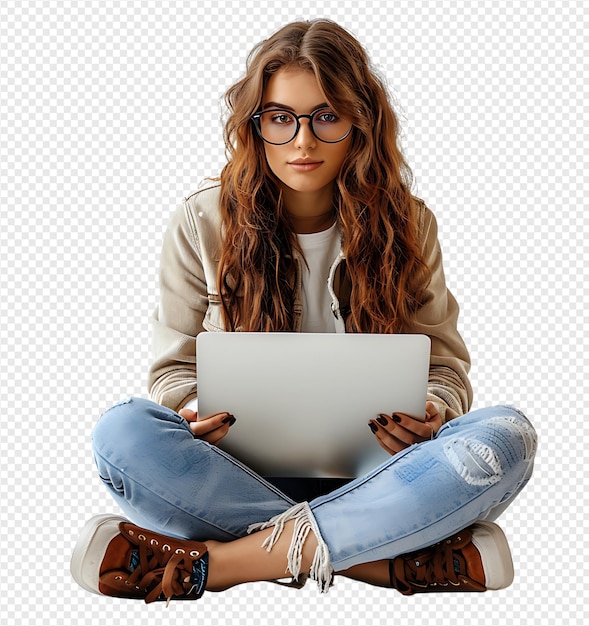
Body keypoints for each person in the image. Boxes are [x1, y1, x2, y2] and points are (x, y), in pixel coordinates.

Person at [70, 19, 537, 603]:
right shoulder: (200, 221)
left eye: (326, 116)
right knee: (122, 431)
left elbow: (443, 367)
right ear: (255, 125)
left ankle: (213, 567)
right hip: (236, 471)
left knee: (507, 436)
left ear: (359, 123)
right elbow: (171, 372)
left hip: (382, 475)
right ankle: (388, 561)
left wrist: (437, 409)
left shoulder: (410, 224)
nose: (303, 141)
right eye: (280, 118)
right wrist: (190, 408)